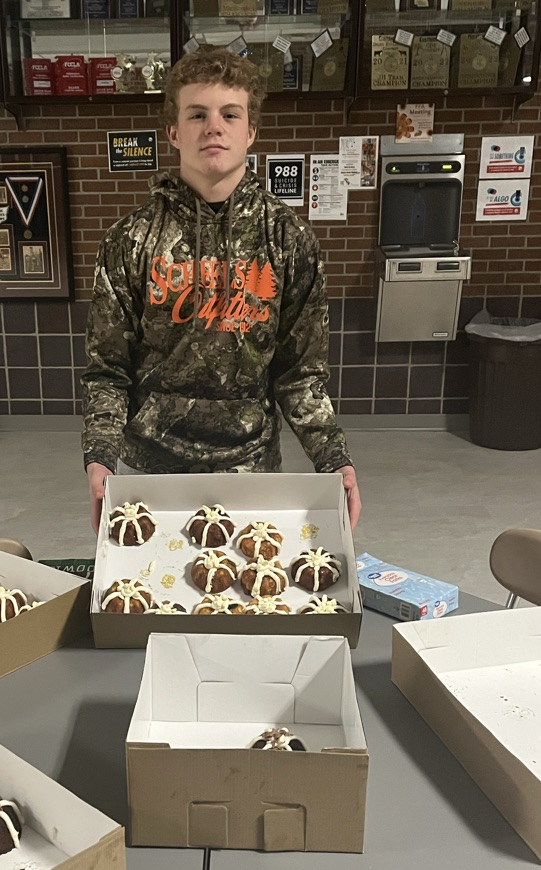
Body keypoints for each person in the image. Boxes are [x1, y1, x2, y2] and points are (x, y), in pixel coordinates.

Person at [82, 46, 361, 533]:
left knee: (249, 577)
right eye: (197, 114)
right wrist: (100, 459)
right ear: (173, 132)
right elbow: (108, 369)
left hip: (252, 467)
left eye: (230, 114)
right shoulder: (130, 240)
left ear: (250, 131)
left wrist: (334, 459)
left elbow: (300, 373)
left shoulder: (288, 239)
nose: (214, 127)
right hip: (151, 471)